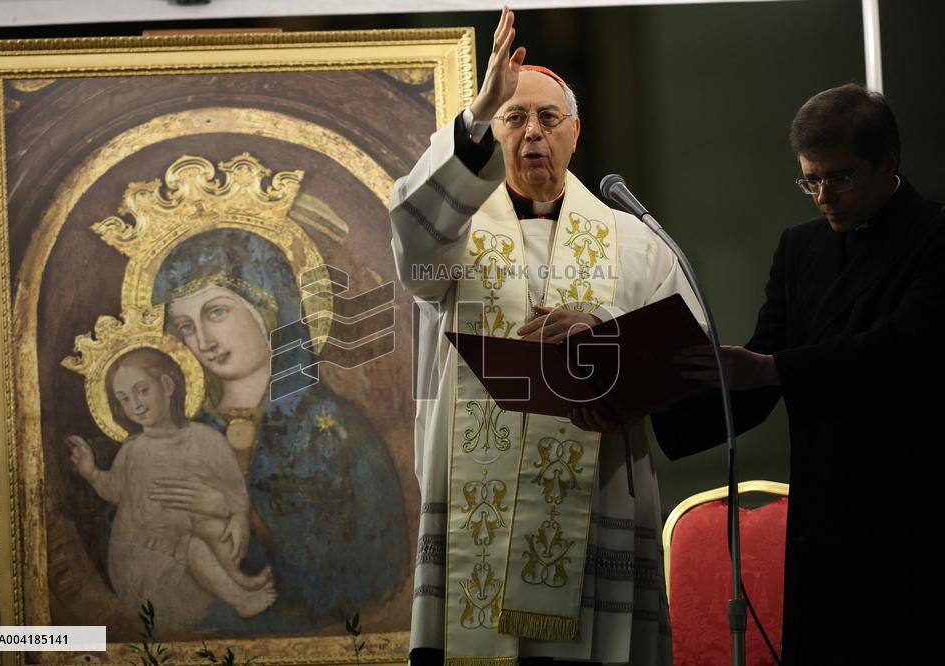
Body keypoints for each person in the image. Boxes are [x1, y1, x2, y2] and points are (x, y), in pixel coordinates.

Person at [390, 7, 701, 665]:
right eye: (514, 118)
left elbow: (687, 362)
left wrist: (605, 339)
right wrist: (478, 108)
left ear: (575, 133)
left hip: (597, 505)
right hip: (481, 520)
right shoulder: (451, 241)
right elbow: (411, 236)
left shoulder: (636, 242)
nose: (532, 132)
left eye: (549, 118)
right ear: (492, 133)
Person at [653, 83, 945, 662]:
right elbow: (763, 371)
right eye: (810, 180)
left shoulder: (934, 236)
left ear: (888, 163)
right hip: (826, 513)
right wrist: (657, 391)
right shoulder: (801, 249)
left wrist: (770, 369)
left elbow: (898, 352)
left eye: (840, 178)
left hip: (911, 504)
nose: (823, 197)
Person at [148, 228, 409, 633]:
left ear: (267, 307)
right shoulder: (182, 433)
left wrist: (238, 510)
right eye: (185, 326)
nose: (203, 341)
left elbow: (372, 566)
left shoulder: (334, 429)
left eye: (216, 313)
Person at [67, 347, 277, 626]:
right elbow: (115, 491)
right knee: (192, 546)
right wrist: (91, 472)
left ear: (167, 385)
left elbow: (235, 490)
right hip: (144, 557)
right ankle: (240, 600)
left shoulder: (207, 440)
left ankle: (238, 580)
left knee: (215, 530)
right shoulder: (133, 450)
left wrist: (238, 518)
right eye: (124, 399)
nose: (136, 405)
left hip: (188, 543)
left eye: (142, 391)